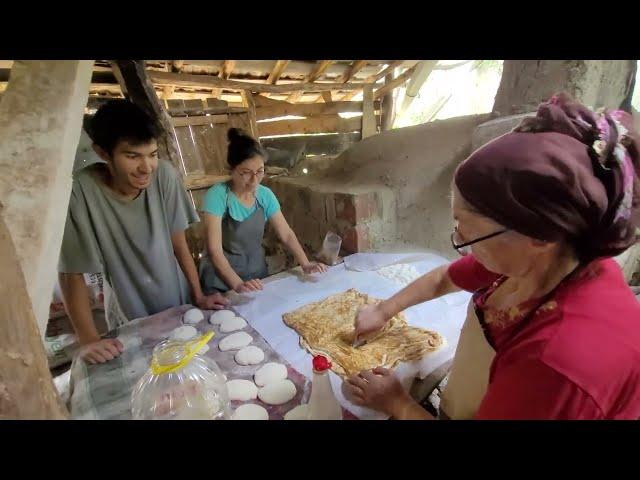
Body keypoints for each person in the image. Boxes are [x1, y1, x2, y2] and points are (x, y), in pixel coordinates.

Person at [347, 93, 640, 420]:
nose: (459, 239)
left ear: (538, 237)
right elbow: (445, 277)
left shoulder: (554, 363)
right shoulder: (540, 261)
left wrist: (397, 403)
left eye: (467, 229)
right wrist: (383, 310)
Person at [58, 100, 228, 365]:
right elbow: (72, 274)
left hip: (178, 304)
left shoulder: (165, 178)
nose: (146, 167)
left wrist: (198, 294)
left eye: (152, 154)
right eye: (132, 156)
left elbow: (179, 244)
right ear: (103, 153)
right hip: (129, 316)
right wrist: (89, 340)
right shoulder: (80, 192)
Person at [199, 128, 327, 294]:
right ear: (231, 170)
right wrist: (237, 284)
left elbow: (286, 234)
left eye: (259, 172)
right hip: (222, 281)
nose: (254, 180)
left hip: (255, 275)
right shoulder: (217, 196)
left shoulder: (265, 195)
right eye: (246, 173)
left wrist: (305, 263)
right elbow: (214, 250)